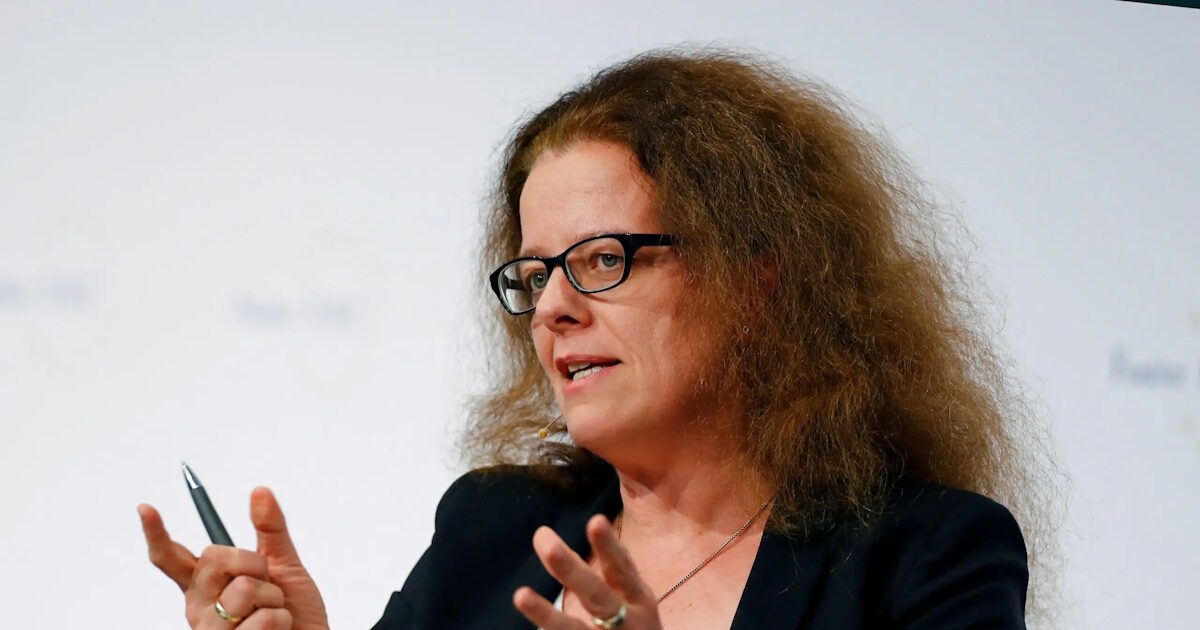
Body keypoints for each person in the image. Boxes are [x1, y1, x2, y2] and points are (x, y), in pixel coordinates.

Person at [138, 49, 1059, 629]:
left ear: (755, 281)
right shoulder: (490, 529)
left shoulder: (927, 555)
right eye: (536, 274)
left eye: (604, 259)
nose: (554, 308)